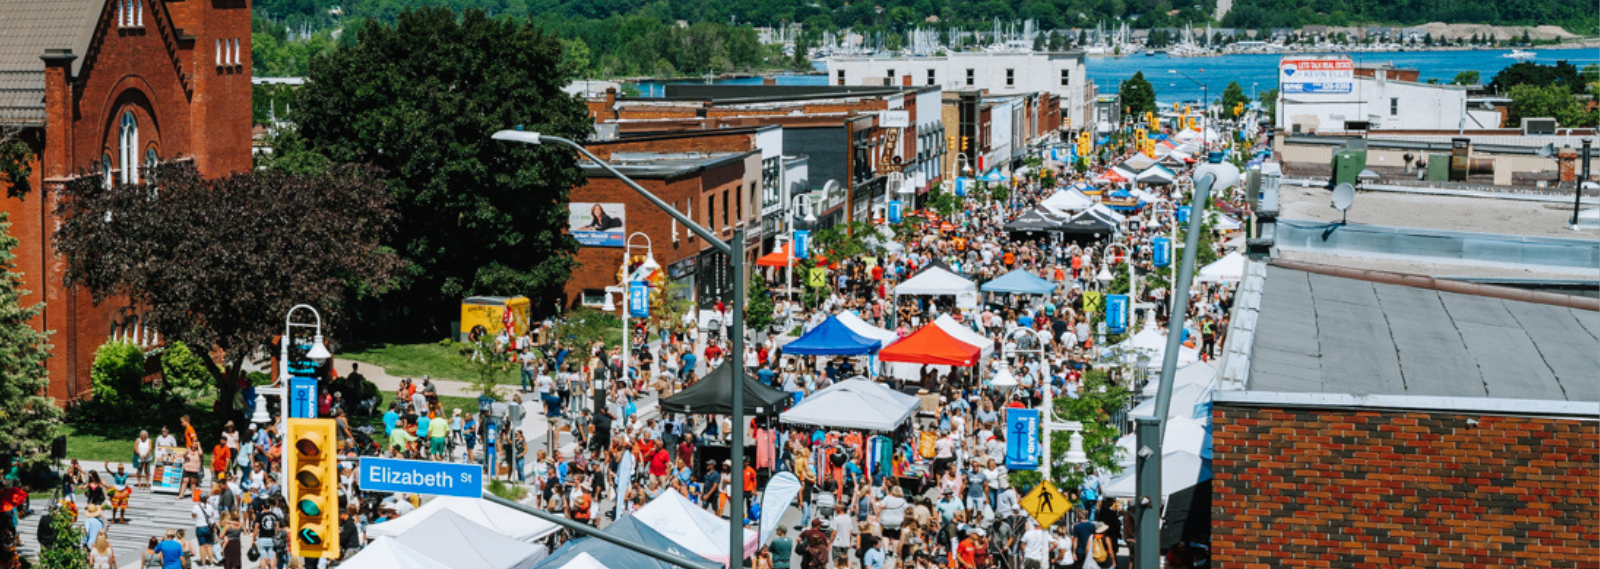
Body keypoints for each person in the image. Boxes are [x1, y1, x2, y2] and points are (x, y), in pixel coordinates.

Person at [193, 490, 219, 567]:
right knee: (209, 545)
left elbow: (193, 516)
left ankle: (203, 563)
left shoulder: (196, 506)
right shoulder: (210, 507)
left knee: (202, 546)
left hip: (200, 527)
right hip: (208, 527)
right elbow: (212, 515)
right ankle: (211, 562)